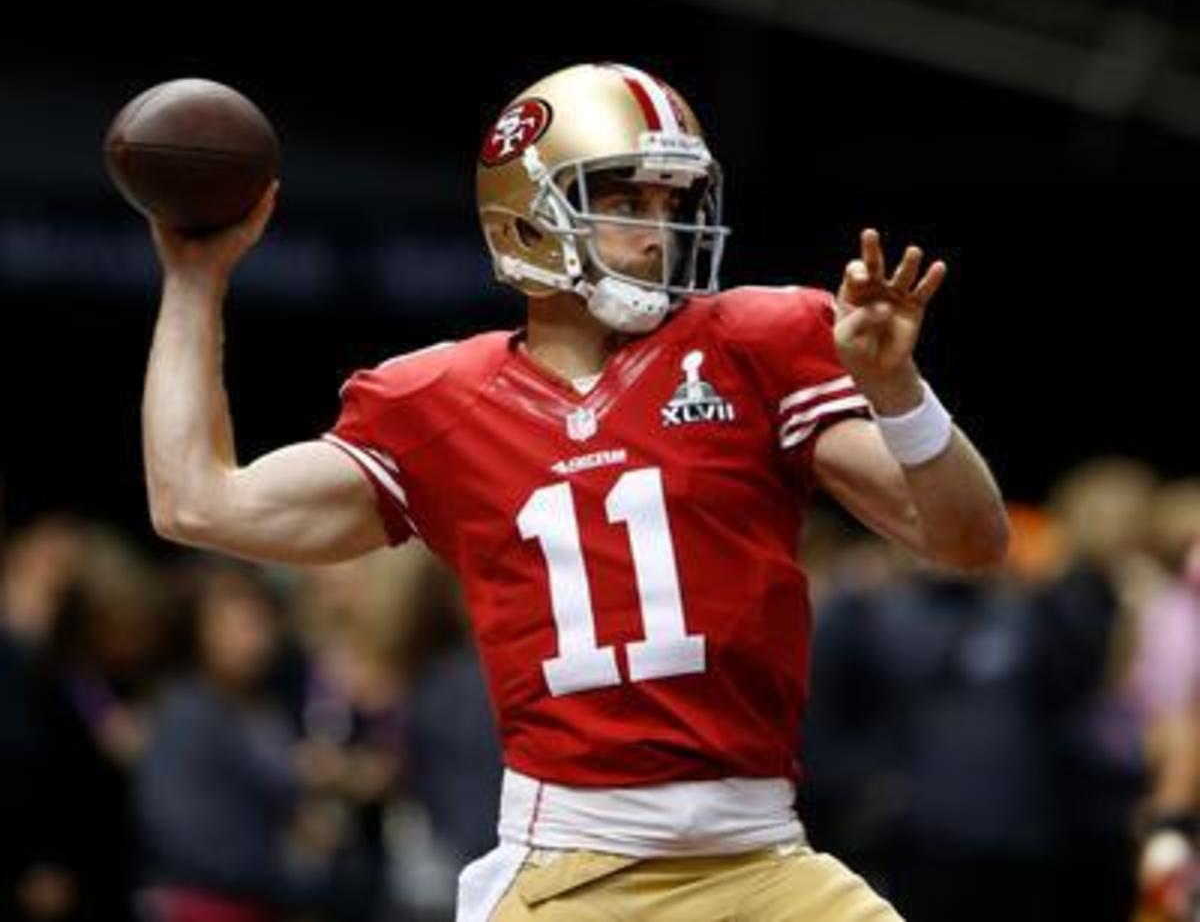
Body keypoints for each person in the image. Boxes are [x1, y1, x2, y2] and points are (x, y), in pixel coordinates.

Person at [142, 62, 1009, 921]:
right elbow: (196, 501)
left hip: (764, 858)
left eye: (672, 206)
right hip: (575, 875)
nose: (657, 233)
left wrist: (898, 392)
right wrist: (194, 279)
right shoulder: (438, 401)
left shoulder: (753, 346)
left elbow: (968, 540)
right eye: (627, 202)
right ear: (524, 217)